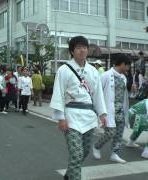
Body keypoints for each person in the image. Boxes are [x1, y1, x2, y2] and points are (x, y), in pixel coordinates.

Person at [50, 36, 107, 180]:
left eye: (85, 47)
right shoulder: (64, 70)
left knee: (85, 151)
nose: (82, 50)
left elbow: (98, 94)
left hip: (88, 117)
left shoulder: (93, 71)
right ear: (72, 51)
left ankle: (69, 175)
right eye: (78, 47)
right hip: (71, 117)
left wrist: (103, 114)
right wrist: (61, 118)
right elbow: (58, 93)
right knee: (77, 154)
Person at [92, 54, 130, 164]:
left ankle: (115, 154)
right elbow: (97, 92)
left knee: (119, 134)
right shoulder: (106, 75)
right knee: (110, 133)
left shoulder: (124, 78)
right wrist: (98, 111)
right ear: (123, 64)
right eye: (127, 66)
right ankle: (97, 146)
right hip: (108, 110)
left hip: (120, 111)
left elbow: (124, 96)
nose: (128, 69)